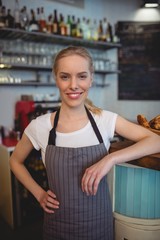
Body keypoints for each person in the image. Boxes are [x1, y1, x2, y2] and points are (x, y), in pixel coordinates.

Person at [10, 46, 160, 240]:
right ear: (56, 79)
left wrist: (110, 159)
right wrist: (38, 193)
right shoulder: (40, 126)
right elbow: (15, 161)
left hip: (98, 225)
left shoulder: (105, 120)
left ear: (91, 79)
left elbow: (155, 140)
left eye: (81, 76)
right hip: (57, 227)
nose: (74, 85)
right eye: (65, 76)